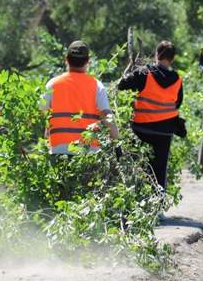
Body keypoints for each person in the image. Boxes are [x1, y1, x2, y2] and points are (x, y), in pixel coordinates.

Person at [118, 40, 184, 191]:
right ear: (172, 59)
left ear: (156, 54)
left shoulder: (144, 73)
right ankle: (158, 208)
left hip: (141, 129)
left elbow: (121, 85)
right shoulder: (177, 80)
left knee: (138, 167)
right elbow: (177, 103)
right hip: (165, 131)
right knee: (159, 169)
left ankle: (136, 203)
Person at [41, 40, 118, 154]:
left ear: (66, 60)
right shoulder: (96, 85)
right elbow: (107, 116)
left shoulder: (52, 84)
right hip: (88, 152)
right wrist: (116, 143)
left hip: (58, 150)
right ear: (88, 62)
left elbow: (40, 112)